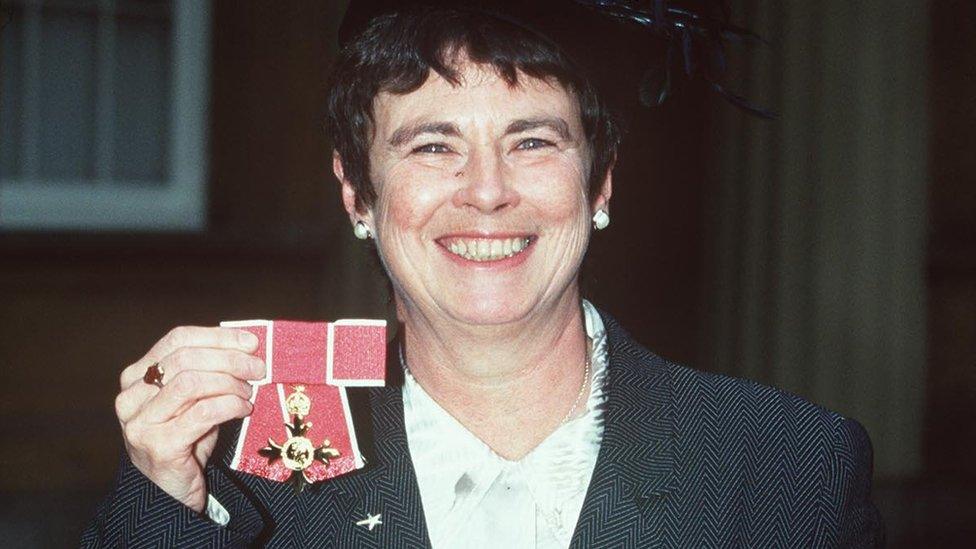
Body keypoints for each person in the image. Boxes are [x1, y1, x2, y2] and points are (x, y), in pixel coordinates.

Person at [82, 1, 884, 547]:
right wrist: (165, 499)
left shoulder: (788, 464)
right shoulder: (240, 475)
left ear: (599, 182)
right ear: (358, 193)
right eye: (433, 146)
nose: (489, 190)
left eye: (533, 141)